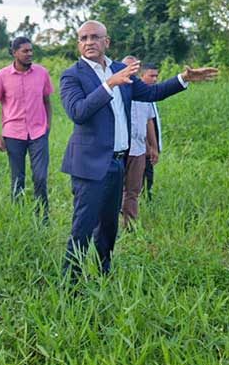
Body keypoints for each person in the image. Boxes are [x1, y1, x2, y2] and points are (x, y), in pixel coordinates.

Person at [59, 21, 217, 278]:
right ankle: (71, 283)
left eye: (95, 37)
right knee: (83, 228)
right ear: (78, 43)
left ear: (106, 42)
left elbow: (152, 92)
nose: (89, 42)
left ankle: (103, 275)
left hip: (117, 162)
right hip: (88, 165)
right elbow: (78, 112)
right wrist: (109, 84)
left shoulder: (122, 70)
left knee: (109, 228)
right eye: (83, 38)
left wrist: (184, 78)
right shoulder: (72, 75)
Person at [0, 36, 53, 221]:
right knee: (18, 179)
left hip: (38, 133)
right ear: (14, 53)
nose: (29, 54)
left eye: (31, 50)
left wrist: (47, 126)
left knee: (40, 177)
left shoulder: (42, 73)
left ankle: (43, 217)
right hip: (13, 134)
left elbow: (47, 101)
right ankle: (20, 218)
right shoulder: (1, 76)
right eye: (25, 51)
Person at [119, 56, 158, 228]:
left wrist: (153, 146)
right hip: (120, 148)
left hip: (139, 148)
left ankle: (131, 225)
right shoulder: (115, 89)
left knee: (134, 189)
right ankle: (114, 224)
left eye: (134, 68)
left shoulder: (144, 93)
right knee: (116, 189)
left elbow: (149, 121)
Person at [139, 63, 162, 201]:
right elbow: (141, 124)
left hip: (149, 147)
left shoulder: (151, 95)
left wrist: (155, 146)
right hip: (141, 148)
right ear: (141, 76)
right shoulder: (138, 96)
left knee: (148, 177)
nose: (154, 79)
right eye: (151, 76)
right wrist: (149, 147)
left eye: (156, 76)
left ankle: (147, 201)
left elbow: (151, 122)